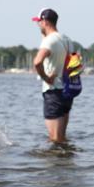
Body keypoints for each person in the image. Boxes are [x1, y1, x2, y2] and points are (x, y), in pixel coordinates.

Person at [32, 8, 73, 143]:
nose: (38, 25)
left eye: (39, 22)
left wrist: (45, 77)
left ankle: (55, 163)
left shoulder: (49, 41)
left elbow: (37, 62)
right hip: (67, 92)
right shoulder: (67, 39)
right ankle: (65, 162)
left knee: (55, 139)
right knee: (62, 138)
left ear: (44, 22)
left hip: (53, 92)